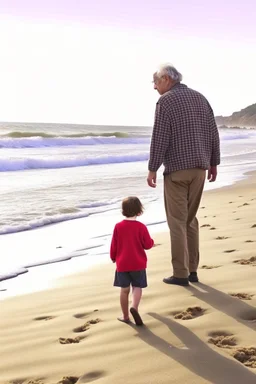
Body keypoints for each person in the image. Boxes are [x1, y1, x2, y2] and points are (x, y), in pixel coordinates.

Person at [147, 63, 220, 286]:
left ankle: (181, 274)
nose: (155, 87)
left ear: (167, 79)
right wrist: (214, 163)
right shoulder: (200, 98)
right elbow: (212, 132)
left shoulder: (166, 101)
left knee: (177, 222)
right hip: (200, 168)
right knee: (190, 220)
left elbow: (160, 136)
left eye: (156, 82)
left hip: (177, 170)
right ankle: (193, 270)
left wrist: (153, 167)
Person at [110, 196, 154, 325]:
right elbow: (147, 244)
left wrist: (113, 257)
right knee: (137, 286)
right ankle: (134, 307)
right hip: (138, 263)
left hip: (122, 264)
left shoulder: (118, 226)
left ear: (123, 211)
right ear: (139, 211)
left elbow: (114, 245)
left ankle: (125, 316)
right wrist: (152, 242)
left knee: (124, 290)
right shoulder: (141, 227)